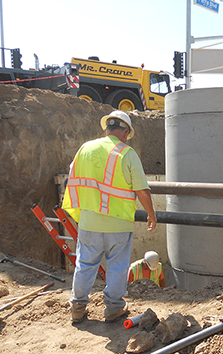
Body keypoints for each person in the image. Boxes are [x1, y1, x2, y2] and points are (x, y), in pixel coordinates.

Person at [62, 110, 157, 323]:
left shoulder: (85, 149)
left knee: (85, 264)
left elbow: (73, 178)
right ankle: (113, 309)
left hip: (89, 221)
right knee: (117, 267)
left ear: (106, 129)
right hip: (118, 224)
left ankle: (77, 307)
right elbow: (142, 190)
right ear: (125, 132)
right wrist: (151, 215)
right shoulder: (127, 154)